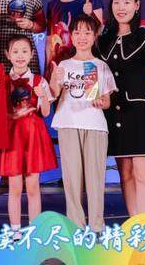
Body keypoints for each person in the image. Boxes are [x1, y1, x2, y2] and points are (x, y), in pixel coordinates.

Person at [96, 0, 145, 216]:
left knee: (142, 173)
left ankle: (144, 226)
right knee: (125, 173)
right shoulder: (102, 40)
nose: (121, 7)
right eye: (116, 2)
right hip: (114, 112)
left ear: (136, 6)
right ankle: (134, 223)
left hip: (140, 112)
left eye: (126, 2)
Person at [50, 14, 116, 229]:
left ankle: (97, 226)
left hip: (95, 125)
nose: (82, 37)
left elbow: (106, 101)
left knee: (95, 178)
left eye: (87, 32)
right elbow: (53, 94)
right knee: (72, 179)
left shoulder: (100, 66)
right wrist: (55, 78)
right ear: (71, 36)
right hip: (68, 123)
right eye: (77, 32)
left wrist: (100, 102)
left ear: (95, 36)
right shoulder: (64, 64)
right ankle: (75, 227)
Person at [0, 36, 57, 238]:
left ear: (31, 55)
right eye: (15, 51)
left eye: (24, 51)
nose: (20, 55)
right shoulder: (1, 81)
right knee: (14, 186)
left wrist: (42, 95)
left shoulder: (39, 81)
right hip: (12, 137)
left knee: (32, 186)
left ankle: (34, 230)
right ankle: (15, 231)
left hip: (33, 137)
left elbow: (45, 113)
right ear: (8, 55)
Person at [44, 0, 103, 79]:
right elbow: (49, 41)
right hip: (60, 66)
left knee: (91, 92)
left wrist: (91, 14)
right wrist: (48, 68)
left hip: (87, 63)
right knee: (61, 92)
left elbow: (99, 31)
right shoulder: (52, 5)